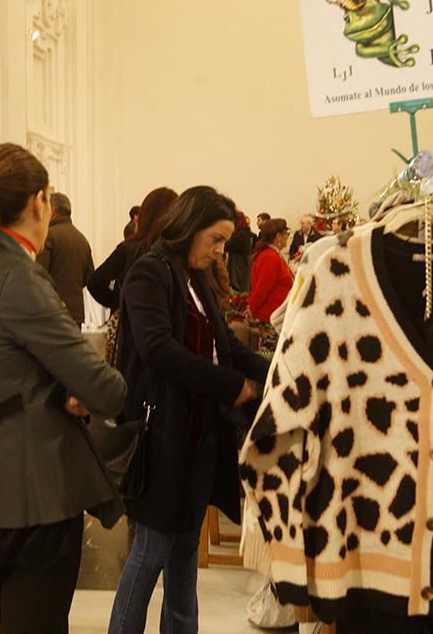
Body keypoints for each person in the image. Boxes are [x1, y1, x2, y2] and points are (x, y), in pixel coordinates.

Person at [0, 143, 126, 633]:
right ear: (40, 202)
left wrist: (57, 386)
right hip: (33, 488)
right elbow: (104, 389)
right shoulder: (18, 275)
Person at [108, 186, 269, 634]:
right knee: (150, 553)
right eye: (215, 239)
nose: (221, 250)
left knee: (183, 557)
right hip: (162, 438)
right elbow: (159, 350)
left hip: (198, 437)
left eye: (224, 241)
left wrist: (276, 371)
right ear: (189, 227)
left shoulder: (193, 275)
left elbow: (225, 344)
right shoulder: (148, 274)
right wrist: (233, 386)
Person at [88, 187, 178, 310]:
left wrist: (119, 303)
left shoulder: (128, 247)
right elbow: (95, 281)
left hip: (132, 318)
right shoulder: (173, 250)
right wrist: (118, 302)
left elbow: (95, 282)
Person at [37, 192, 94, 325]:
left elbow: (39, 274)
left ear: (53, 210)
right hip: (76, 313)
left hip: (52, 311)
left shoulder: (49, 236)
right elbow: (89, 277)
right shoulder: (81, 239)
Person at [249, 218, 294, 323]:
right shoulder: (270, 258)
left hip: (276, 314)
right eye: (286, 233)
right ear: (278, 236)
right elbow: (261, 289)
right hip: (270, 316)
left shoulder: (273, 255)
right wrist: (251, 309)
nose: (288, 236)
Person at [224, 211, 256, 292]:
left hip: (239, 264)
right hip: (241, 262)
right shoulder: (245, 233)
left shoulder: (241, 234)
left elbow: (228, 246)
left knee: (238, 287)